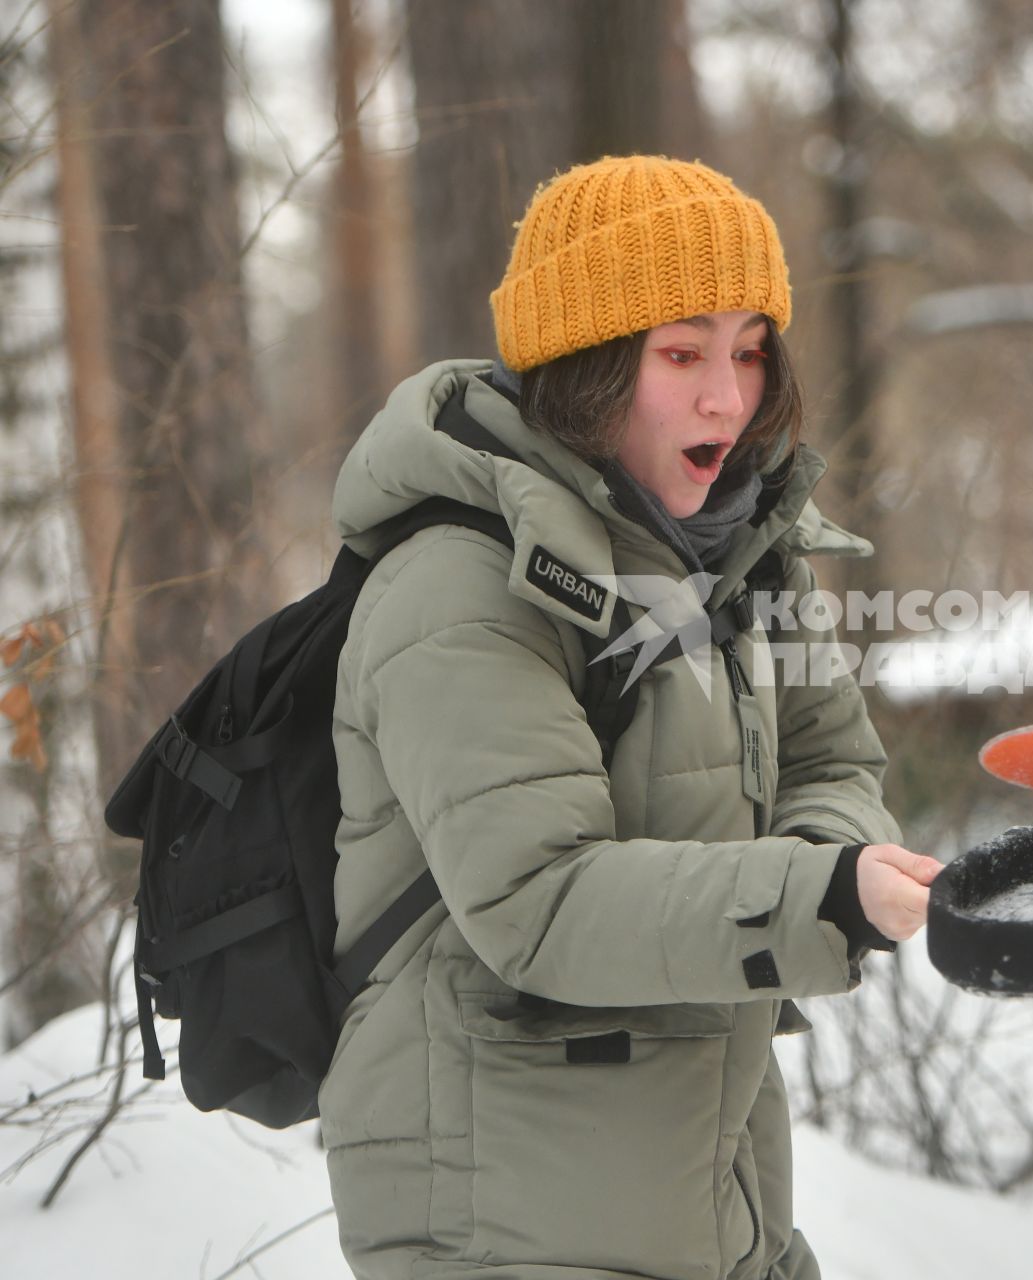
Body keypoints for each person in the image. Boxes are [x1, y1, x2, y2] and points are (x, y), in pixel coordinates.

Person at [317, 154, 941, 1280]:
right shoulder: (456, 584)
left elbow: (830, 752)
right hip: (502, 1218)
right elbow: (537, 898)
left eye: (750, 349)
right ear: (587, 366)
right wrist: (815, 897)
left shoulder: (745, 559)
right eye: (683, 353)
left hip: (709, 1195)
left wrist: (819, 867)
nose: (728, 396)